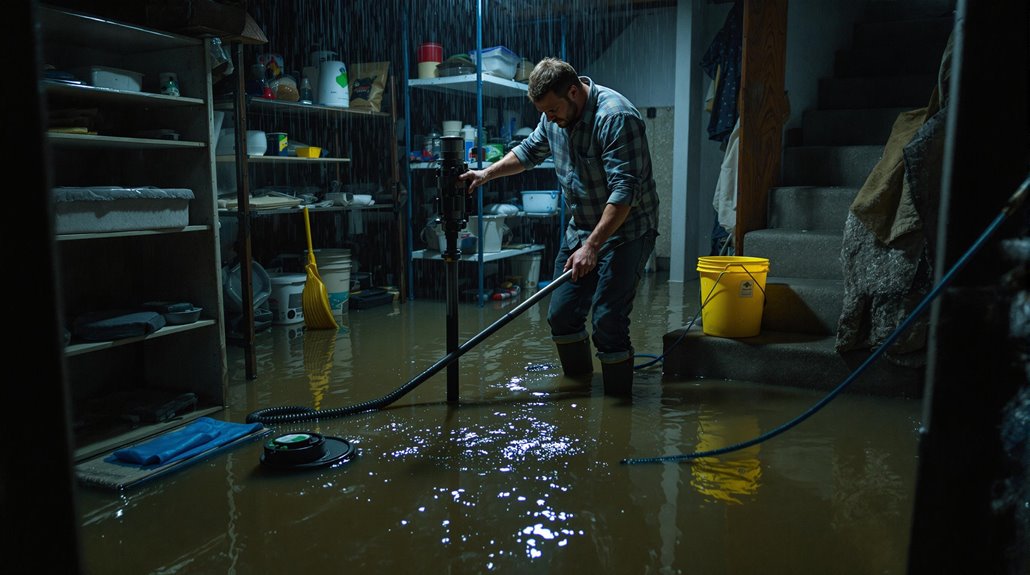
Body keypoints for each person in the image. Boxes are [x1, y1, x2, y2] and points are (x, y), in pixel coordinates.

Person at [460, 57, 659, 396]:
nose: (549, 118)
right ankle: (579, 392)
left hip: (626, 231)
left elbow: (624, 193)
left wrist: (593, 247)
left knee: (608, 322)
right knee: (562, 315)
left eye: (553, 110)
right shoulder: (553, 116)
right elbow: (527, 152)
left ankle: (617, 409)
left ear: (572, 91)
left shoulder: (615, 117)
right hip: (580, 228)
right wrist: (486, 173)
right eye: (545, 112)